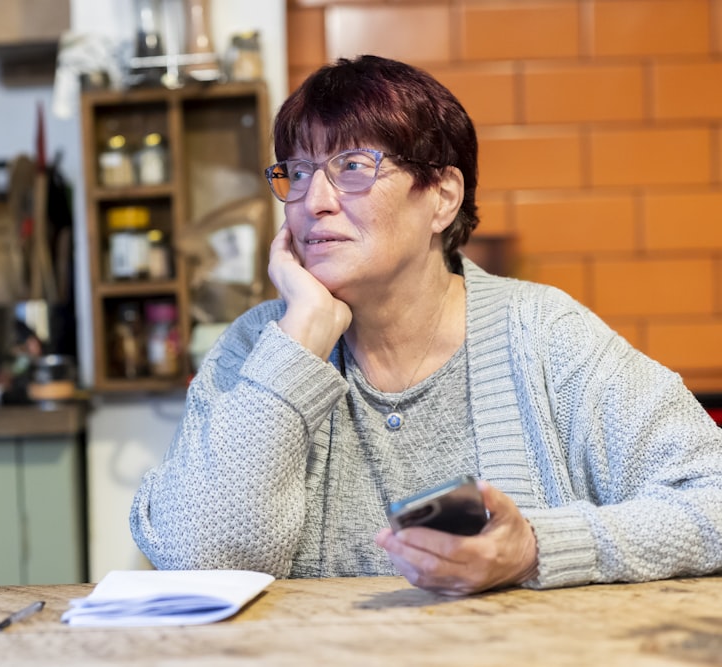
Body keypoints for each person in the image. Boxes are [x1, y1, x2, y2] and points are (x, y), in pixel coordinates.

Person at [129, 55, 722, 595]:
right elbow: (199, 564)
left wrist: (534, 548)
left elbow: (713, 500)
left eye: (353, 166)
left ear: (441, 196)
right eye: (299, 172)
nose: (314, 201)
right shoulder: (259, 347)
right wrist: (299, 338)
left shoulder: (544, 335)